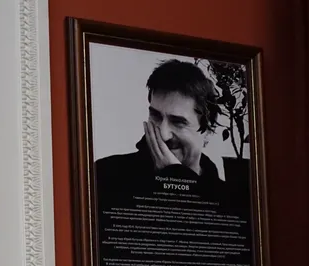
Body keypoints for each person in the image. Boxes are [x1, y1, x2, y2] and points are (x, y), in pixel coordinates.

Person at [95, 60, 225, 206]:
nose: (163, 134)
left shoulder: (227, 199)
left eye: (178, 122)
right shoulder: (104, 175)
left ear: (208, 131)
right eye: (156, 116)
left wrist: (175, 175)